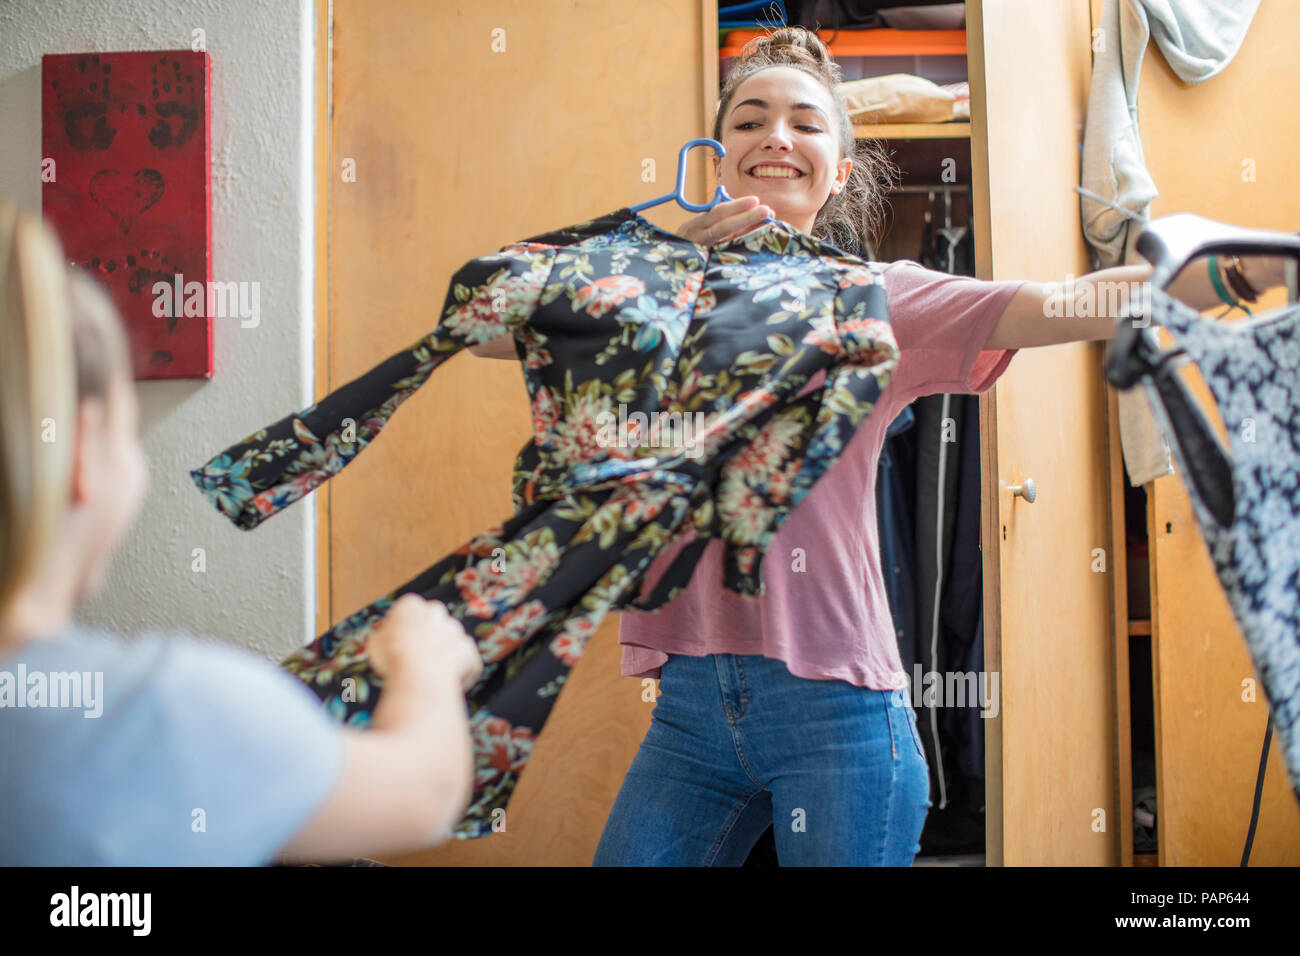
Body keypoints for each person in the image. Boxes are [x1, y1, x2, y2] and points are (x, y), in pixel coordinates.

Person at [472, 25, 1291, 867]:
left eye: (805, 123)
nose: (776, 137)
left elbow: (1073, 301)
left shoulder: (881, 300)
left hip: (838, 715)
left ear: (839, 170)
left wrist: (1247, 271)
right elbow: (482, 320)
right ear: (718, 155)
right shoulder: (651, 295)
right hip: (688, 712)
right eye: (750, 120)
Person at [0, 197, 485, 865]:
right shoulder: (166, 715)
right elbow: (424, 794)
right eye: (129, 425)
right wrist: (424, 665)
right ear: (81, 453)